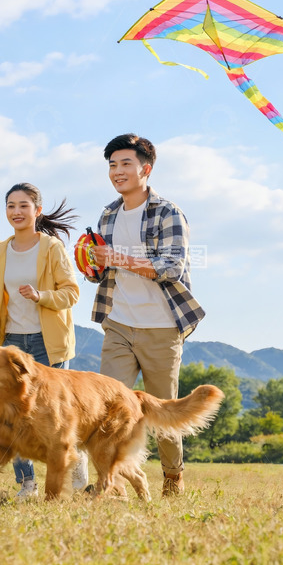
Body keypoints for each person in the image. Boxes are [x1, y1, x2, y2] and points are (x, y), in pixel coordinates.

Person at [86, 133, 205, 497]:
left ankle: (173, 476)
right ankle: (111, 482)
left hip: (162, 327)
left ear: (146, 169)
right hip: (118, 323)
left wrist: (117, 259)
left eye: (126, 164)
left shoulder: (169, 212)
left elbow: (171, 266)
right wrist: (91, 263)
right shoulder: (108, 214)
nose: (117, 171)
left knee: (164, 411)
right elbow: (102, 271)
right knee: (105, 409)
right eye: (112, 165)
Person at [0, 182, 88, 499]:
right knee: (10, 414)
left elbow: (71, 293)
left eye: (23, 205)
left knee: (55, 414)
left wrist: (41, 296)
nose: (16, 211)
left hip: (47, 342)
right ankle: (28, 483)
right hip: (9, 341)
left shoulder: (52, 249)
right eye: (11, 206)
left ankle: (75, 468)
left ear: (37, 210)